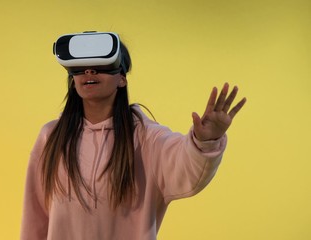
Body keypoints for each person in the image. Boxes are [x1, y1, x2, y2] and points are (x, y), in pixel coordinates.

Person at [20, 32, 246, 240]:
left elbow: (185, 167)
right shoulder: (51, 137)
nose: (89, 72)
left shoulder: (146, 138)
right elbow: (35, 217)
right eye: (80, 67)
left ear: (122, 78)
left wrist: (205, 141)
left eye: (101, 65)